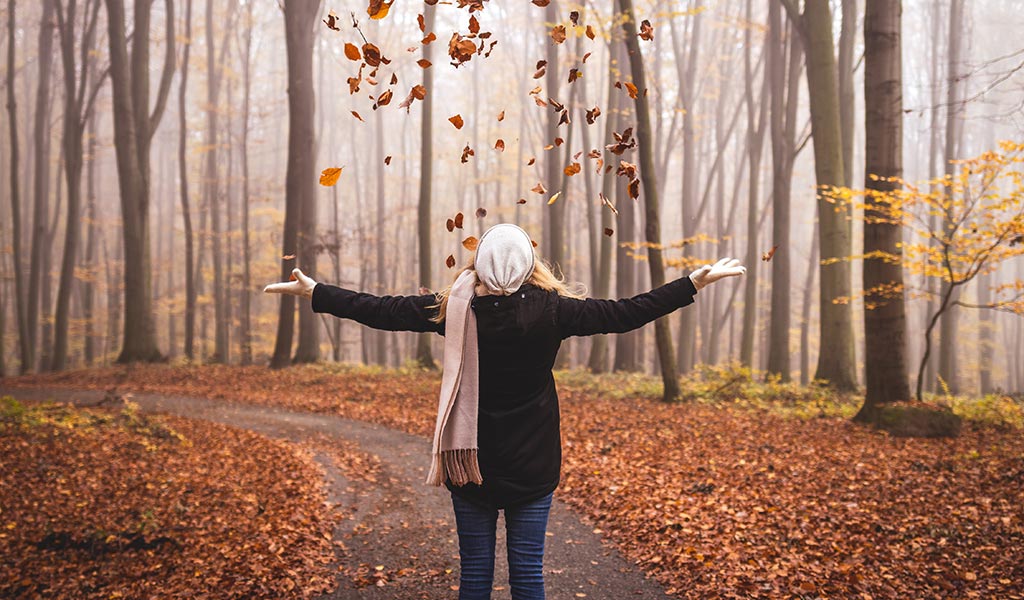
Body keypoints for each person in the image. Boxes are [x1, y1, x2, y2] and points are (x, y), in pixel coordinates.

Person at [263, 222, 745, 600]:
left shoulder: (453, 308)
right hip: (533, 464)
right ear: (530, 265)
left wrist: (316, 292)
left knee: (474, 574)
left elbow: (383, 310)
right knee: (528, 574)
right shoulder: (556, 310)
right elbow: (627, 313)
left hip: (468, 462)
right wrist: (692, 282)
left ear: (481, 262)